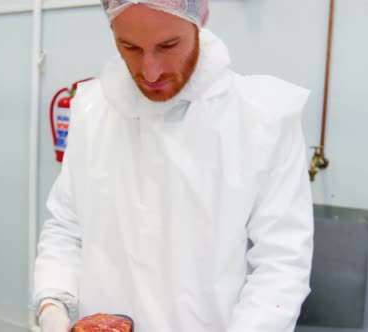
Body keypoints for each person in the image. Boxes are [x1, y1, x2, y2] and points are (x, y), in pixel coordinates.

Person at [33, 0, 314, 331]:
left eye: (168, 46)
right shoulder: (92, 110)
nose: (150, 71)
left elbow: (280, 264)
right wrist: (53, 303)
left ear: (201, 20)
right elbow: (66, 227)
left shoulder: (262, 118)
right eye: (130, 47)